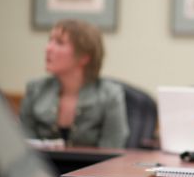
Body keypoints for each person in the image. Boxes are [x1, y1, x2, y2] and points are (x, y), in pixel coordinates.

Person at [19, 19, 129, 148]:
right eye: (50, 41)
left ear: (84, 57)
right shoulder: (35, 89)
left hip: (93, 168)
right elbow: (23, 146)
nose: (48, 48)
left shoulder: (110, 95)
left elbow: (112, 151)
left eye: (59, 43)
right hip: (41, 168)